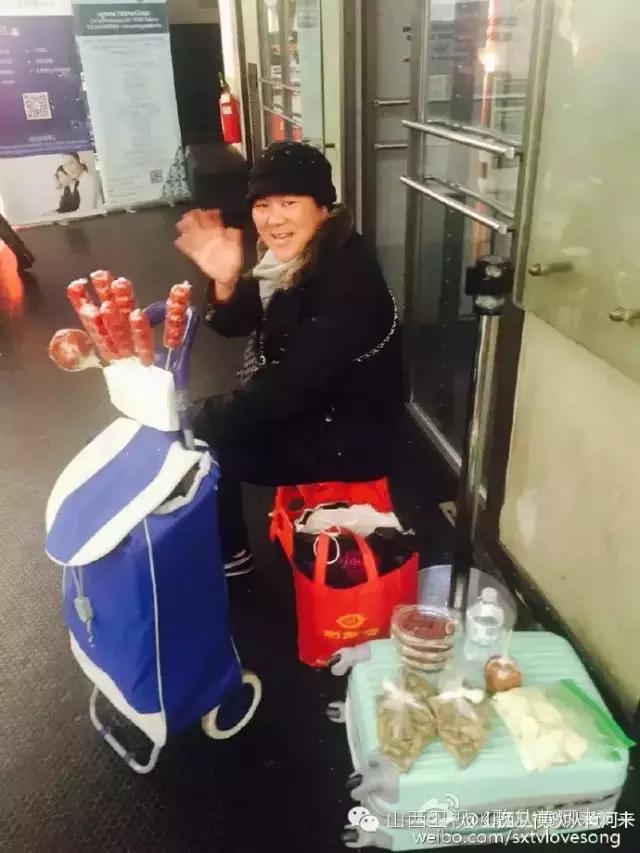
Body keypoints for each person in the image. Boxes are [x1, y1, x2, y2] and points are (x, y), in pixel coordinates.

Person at [175, 141, 403, 577]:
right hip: (321, 408)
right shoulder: (294, 259)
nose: (273, 218)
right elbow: (236, 322)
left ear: (322, 206)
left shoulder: (344, 281)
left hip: (348, 435)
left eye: (289, 202)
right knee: (208, 425)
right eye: (263, 204)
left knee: (201, 446)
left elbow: (286, 391)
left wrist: (193, 416)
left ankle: (231, 559)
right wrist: (226, 281)